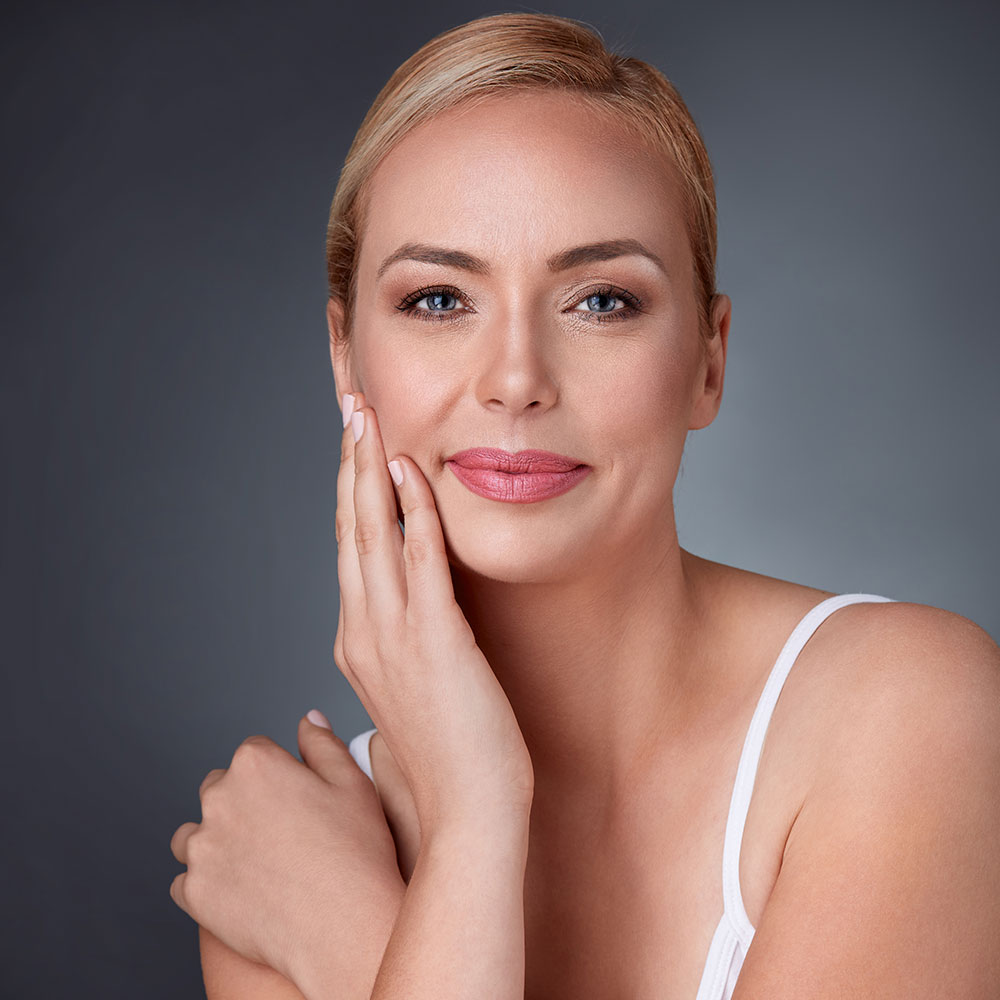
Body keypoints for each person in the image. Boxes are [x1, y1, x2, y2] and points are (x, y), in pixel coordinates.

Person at [167, 12, 1000, 999]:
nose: (516, 379)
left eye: (602, 300)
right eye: (439, 299)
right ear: (345, 356)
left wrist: (370, 929)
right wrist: (474, 813)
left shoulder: (906, 712)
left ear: (708, 361)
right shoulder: (280, 857)